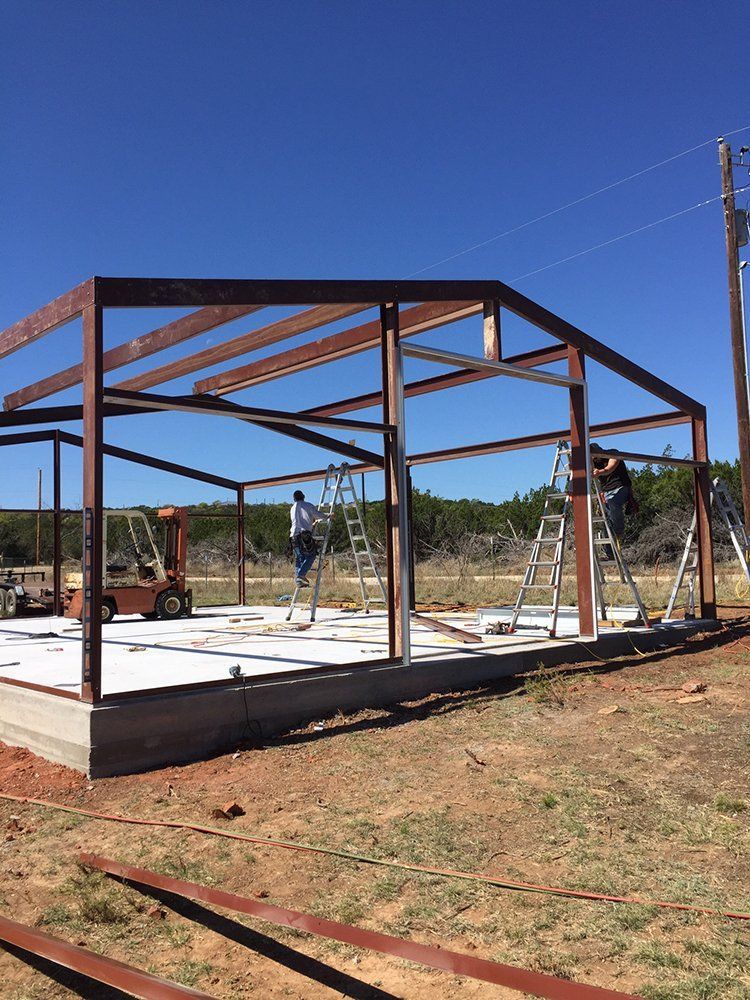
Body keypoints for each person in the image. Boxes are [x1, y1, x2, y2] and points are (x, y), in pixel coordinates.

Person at [590, 443, 633, 542]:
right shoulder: (593, 461)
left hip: (621, 487)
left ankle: (618, 532)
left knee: (612, 502)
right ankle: (609, 547)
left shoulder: (613, 453)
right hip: (606, 492)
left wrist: (600, 472)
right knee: (607, 520)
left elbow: (610, 468)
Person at [289, 489, 326, 586]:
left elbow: (300, 522)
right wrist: (328, 516)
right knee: (311, 555)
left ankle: (298, 581)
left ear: (294, 499)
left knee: (299, 558)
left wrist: (312, 525)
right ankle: (301, 575)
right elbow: (318, 515)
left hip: (293, 536)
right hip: (304, 536)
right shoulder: (308, 505)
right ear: (303, 496)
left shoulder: (293, 508)